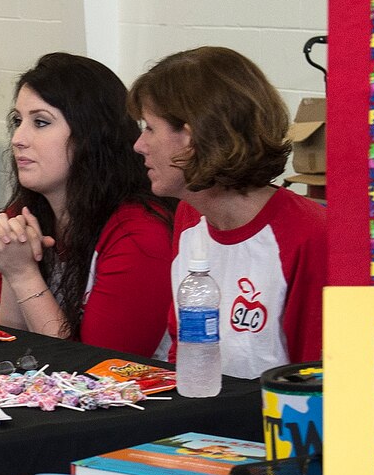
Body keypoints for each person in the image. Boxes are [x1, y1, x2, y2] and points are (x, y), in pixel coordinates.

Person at [130, 45, 326, 379]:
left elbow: (318, 382)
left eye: (149, 128)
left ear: (191, 139)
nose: (139, 145)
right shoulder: (190, 217)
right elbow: (187, 350)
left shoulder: (311, 236)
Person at [0, 53, 174, 358]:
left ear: (91, 135)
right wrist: (13, 269)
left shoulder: (140, 231)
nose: (18, 139)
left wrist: (24, 274)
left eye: (40, 122)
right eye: (17, 121)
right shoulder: (25, 211)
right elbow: (12, 337)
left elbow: (94, 366)